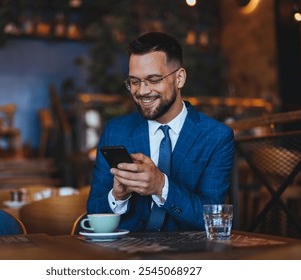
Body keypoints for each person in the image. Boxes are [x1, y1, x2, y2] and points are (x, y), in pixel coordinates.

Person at [87, 32, 234, 232]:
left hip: (189, 256)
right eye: (134, 81)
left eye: (153, 80)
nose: (142, 91)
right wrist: (117, 197)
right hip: (126, 255)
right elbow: (93, 210)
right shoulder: (116, 130)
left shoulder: (216, 136)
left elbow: (212, 217)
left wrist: (160, 186)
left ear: (179, 78)